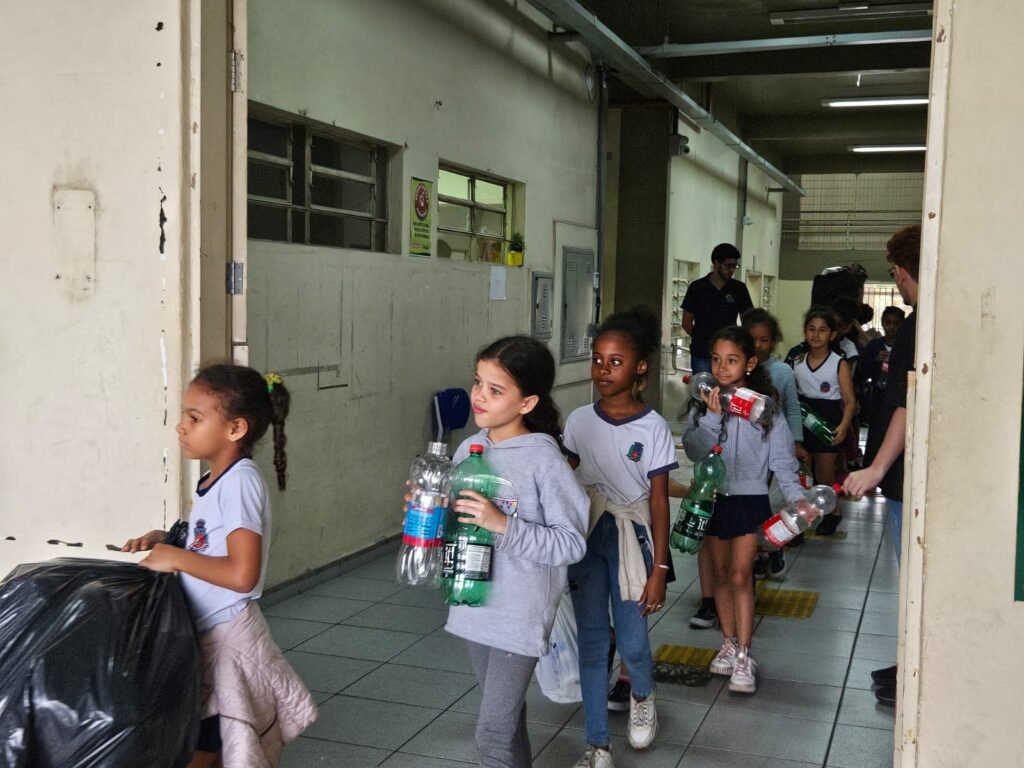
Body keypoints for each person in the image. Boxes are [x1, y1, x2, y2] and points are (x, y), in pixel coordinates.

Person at [122, 364, 317, 768]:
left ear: (235, 429)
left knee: (208, 744)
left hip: (229, 635)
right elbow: (210, 541)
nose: (181, 427)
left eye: (195, 418)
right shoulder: (217, 479)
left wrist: (176, 558)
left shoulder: (240, 483)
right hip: (211, 630)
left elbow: (242, 574)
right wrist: (168, 540)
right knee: (213, 744)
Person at [444, 335, 589, 768]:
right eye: (478, 382)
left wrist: (502, 524)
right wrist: (428, 510)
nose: (479, 396)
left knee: (492, 733)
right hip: (474, 601)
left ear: (527, 403)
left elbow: (571, 543)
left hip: (518, 612)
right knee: (507, 721)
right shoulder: (469, 449)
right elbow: (458, 521)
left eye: (495, 390)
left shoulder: (544, 460)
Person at [564, 306, 676, 768]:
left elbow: (659, 502)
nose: (603, 370)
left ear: (640, 367)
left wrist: (660, 569)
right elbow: (564, 482)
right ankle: (597, 745)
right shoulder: (577, 421)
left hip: (633, 537)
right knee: (592, 642)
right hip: (588, 536)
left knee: (632, 639)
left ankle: (643, 695)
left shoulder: (653, 427)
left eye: (615, 362)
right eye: (597, 360)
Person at [682, 326, 804, 695]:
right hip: (714, 498)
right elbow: (694, 450)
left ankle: (744, 654)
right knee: (720, 575)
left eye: (731, 360)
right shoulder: (703, 403)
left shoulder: (765, 409)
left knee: (740, 575)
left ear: (749, 364)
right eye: (716, 360)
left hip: (750, 499)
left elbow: (782, 461)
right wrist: (712, 417)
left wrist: (796, 497)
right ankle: (728, 642)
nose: (722, 368)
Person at [843, 225, 921, 705]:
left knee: (913, 577)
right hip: (906, 471)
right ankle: (910, 660)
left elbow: (907, 404)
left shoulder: (917, 324)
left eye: (895, 272)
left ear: (905, 271)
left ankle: (916, 669)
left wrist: (876, 469)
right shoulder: (925, 321)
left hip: (905, 475)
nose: (897, 281)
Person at [742, 308, 805, 577]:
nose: (758, 345)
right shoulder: (738, 368)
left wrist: (797, 442)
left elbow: (792, 409)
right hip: (746, 450)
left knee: (762, 499)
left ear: (774, 341)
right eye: (752, 339)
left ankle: (770, 546)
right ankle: (763, 550)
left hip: (774, 446)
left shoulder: (782, 371)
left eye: (764, 339)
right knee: (753, 502)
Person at [787, 306, 857, 535]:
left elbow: (850, 400)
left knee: (825, 474)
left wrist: (844, 426)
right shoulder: (797, 360)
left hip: (828, 421)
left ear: (832, 335)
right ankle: (804, 515)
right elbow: (791, 395)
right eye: (811, 329)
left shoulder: (839, 362)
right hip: (802, 419)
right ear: (804, 331)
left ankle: (833, 512)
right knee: (804, 474)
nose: (816, 334)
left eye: (822, 330)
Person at [681, 243, 754, 374]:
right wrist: (701, 338)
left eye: (735, 266)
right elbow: (686, 322)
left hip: (729, 353)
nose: (731, 270)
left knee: (727, 386)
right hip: (702, 353)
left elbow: (749, 320)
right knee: (703, 386)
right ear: (716, 263)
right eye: (728, 265)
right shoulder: (697, 287)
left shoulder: (739, 289)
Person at [861, 306, 906, 466]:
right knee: (876, 431)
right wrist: (875, 360)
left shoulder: (904, 346)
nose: (891, 327)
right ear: (882, 323)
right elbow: (863, 370)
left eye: (896, 323)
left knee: (894, 430)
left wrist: (895, 360)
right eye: (888, 322)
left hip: (898, 396)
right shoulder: (874, 345)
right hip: (878, 396)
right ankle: (871, 464)